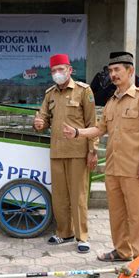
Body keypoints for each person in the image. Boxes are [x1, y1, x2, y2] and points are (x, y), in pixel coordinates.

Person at [62, 52, 139, 278]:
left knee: (138, 215)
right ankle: (122, 251)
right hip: (113, 168)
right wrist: (77, 133)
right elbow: (99, 129)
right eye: (110, 71)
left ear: (130, 71)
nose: (113, 74)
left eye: (117, 70)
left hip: (135, 169)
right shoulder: (111, 101)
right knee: (117, 214)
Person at [33, 53, 98, 253]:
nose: (57, 73)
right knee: (60, 196)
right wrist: (38, 124)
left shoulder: (83, 91)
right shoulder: (50, 94)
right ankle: (64, 232)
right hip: (57, 151)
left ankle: (82, 236)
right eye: (53, 70)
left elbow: (92, 123)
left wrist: (92, 150)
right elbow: (43, 119)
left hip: (78, 151)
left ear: (70, 70)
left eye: (60, 69)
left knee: (78, 195)